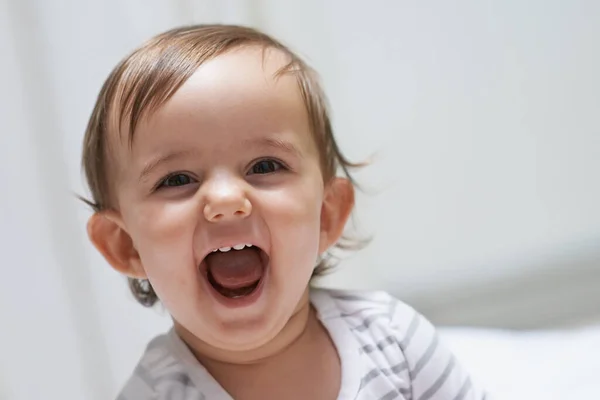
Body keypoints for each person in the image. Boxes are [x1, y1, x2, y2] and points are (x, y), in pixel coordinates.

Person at [82, 24, 487, 400]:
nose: (225, 199)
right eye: (176, 179)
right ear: (126, 245)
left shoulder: (393, 338)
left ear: (327, 215)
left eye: (264, 167)